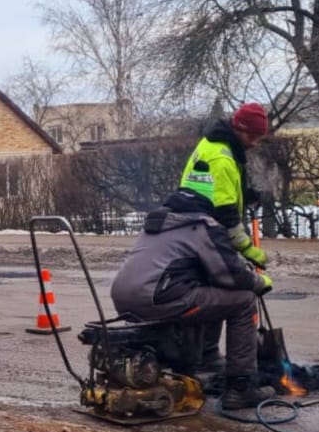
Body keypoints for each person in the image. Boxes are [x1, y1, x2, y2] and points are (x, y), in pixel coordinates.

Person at [109, 179, 276, 409]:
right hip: (158, 298)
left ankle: (199, 363)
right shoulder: (202, 225)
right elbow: (229, 274)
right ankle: (240, 387)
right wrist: (259, 282)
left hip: (125, 298)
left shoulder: (162, 223)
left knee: (207, 295)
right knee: (243, 301)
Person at [178, 102, 270, 374]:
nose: (254, 143)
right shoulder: (222, 158)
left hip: (196, 228)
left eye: (259, 138)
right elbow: (226, 215)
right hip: (205, 233)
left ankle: (205, 356)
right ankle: (209, 361)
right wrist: (248, 249)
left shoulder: (217, 145)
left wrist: (245, 194)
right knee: (224, 294)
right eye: (252, 136)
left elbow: (216, 191)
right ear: (239, 129)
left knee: (213, 292)